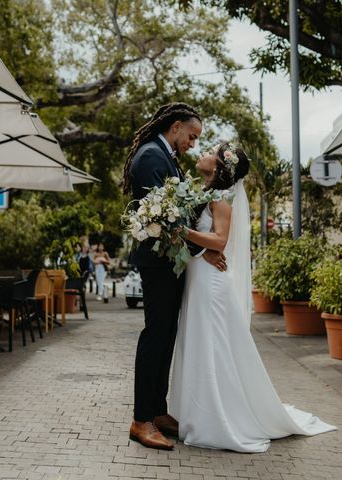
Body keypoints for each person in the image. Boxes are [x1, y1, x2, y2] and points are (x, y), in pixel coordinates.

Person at [169, 143, 336, 453]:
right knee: (200, 344)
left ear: (220, 166)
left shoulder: (221, 197)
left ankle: (217, 417)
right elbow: (209, 242)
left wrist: (183, 233)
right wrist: (198, 247)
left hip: (209, 285)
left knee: (211, 347)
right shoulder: (205, 192)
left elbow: (220, 240)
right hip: (198, 279)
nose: (203, 151)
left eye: (211, 150)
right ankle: (194, 412)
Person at [122, 103, 226, 451]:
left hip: (169, 263)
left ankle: (157, 410)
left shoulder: (165, 157)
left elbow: (176, 211)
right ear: (177, 126)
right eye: (192, 136)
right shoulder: (152, 157)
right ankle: (141, 419)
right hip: (158, 263)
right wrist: (202, 250)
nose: (193, 144)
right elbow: (166, 219)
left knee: (166, 336)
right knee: (155, 336)